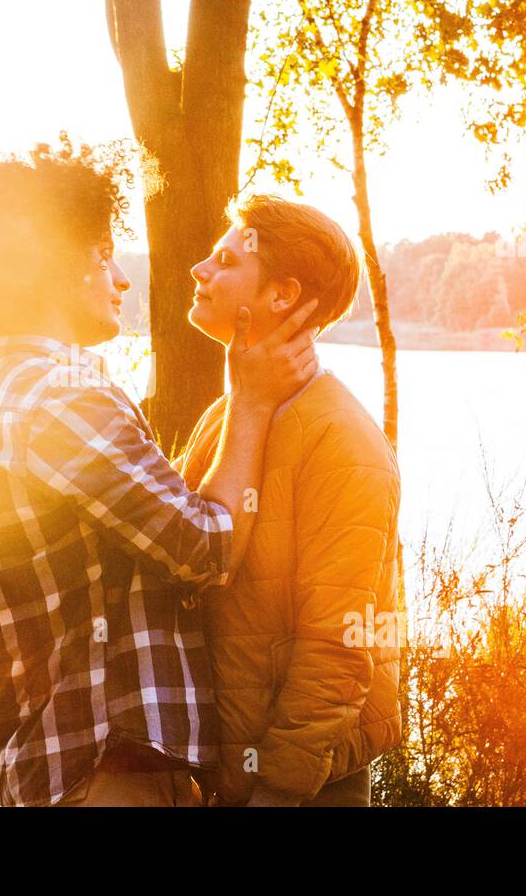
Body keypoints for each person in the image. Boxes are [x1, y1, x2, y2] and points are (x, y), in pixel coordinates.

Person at [0, 140, 319, 806]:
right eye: (104, 256)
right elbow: (205, 547)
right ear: (54, 268)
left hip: (34, 784)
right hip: (106, 781)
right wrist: (249, 401)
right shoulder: (64, 397)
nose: (122, 279)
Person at [173, 194, 403, 807]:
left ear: (282, 295)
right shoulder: (232, 416)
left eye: (224, 260)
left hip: (303, 788)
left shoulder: (341, 439)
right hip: (231, 779)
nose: (200, 270)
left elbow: (342, 643)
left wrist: (276, 790)